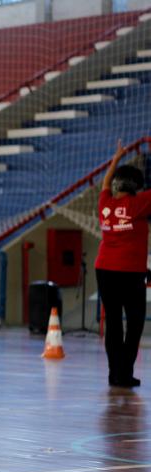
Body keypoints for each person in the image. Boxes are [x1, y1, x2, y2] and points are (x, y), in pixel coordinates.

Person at [95, 140, 150, 388]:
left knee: (114, 323)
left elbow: (106, 182)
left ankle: (114, 374)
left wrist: (116, 158)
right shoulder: (137, 204)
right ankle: (124, 374)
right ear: (136, 187)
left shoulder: (105, 203)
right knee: (135, 323)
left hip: (105, 269)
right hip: (129, 272)